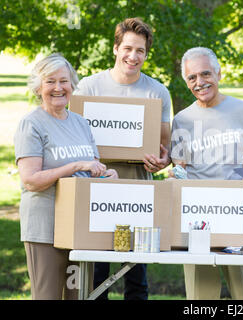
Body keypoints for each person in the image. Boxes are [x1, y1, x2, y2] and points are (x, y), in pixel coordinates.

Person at [74, 17, 172, 300]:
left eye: (140, 50)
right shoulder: (89, 88)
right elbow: (76, 141)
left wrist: (161, 161)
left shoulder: (157, 92)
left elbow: (163, 148)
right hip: (96, 189)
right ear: (115, 48)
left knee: (136, 277)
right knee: (96, 275)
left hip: (137, 190)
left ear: (146, 53)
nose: (133, 56)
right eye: (128, 48)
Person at [14, 53, 118, 300]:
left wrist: (106, 175)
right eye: (50, 81)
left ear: (72, 84)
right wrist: (71, 167)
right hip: (45, 229)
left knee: (79, 297)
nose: (58, 88)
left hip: (79, 229)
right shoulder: (32, 124)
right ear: (39, 87)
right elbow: (30, 180)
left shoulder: (81, 124)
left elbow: (88, 170)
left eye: (64, 81)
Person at [170, 47, 243, 299]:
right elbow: (179, 170)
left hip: (240, 214)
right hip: (197, 218)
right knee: (201, 296)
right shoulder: (182, 119)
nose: (200, 82)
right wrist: (173, 176)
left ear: (219, 74)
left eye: (205, 74)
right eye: (192, 78)